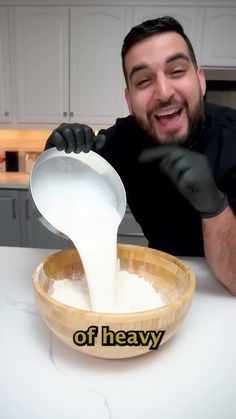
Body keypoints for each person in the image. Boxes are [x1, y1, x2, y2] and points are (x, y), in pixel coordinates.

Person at [45, 16, 236, 295]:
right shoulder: (123, 139)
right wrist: (56, 164)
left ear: (200, 81)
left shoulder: (232, 138)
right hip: (158, 284)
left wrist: (215, 207)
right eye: (144, 80)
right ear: (129, 100)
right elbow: (60, 215)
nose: (163, 92)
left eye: (176, 71)